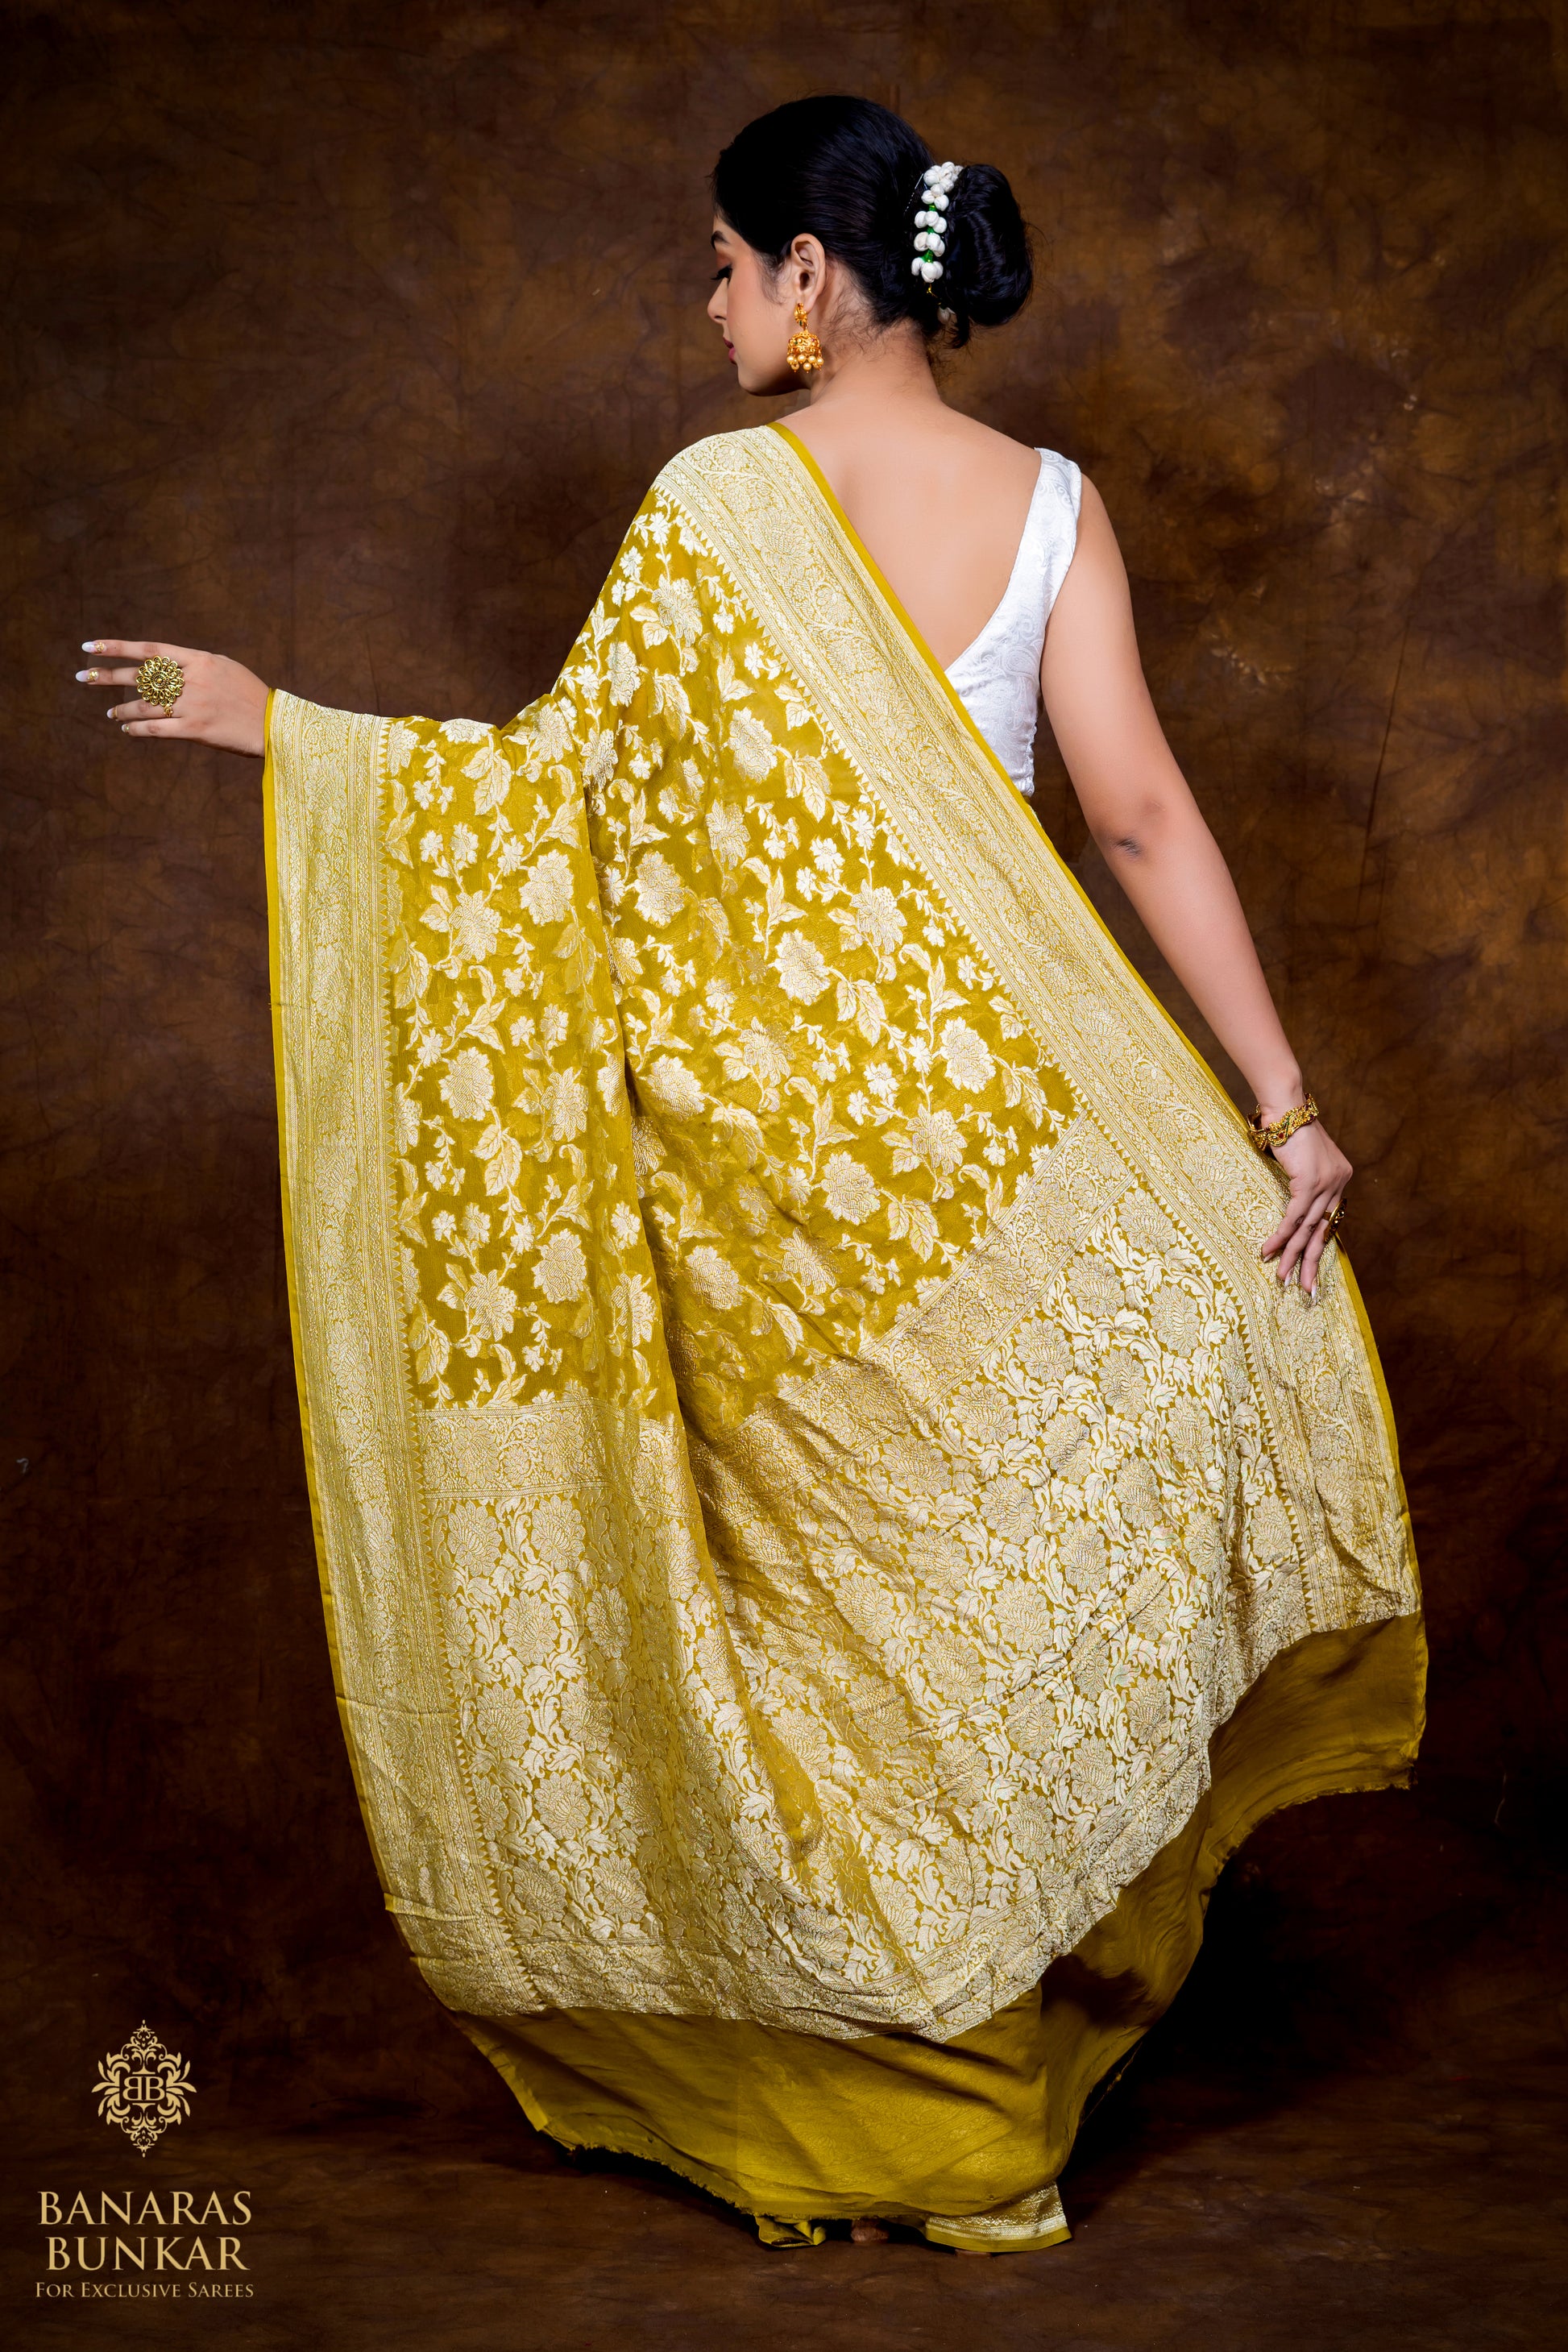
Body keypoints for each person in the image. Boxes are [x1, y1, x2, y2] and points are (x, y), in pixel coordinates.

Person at [74, 96, 1423, 2256]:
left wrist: (288, 735)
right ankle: (987, 2118)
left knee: (842, 1645)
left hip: (789, 1205)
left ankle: (915, 2122)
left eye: (719, 262)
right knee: (988, 1611)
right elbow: (1141, 816)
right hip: (1008, 1160)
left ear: (811, 273)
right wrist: (1281, 1107)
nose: (706, 305)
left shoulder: (723, 502)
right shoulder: (1054, 502)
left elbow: (555, 814)